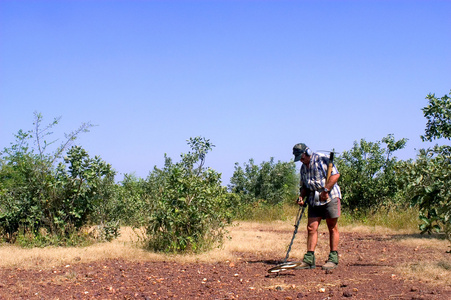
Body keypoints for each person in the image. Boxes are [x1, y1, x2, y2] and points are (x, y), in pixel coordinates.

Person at [292, 143, 341, 270]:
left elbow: (335, 175)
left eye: (302, 158)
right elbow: (304, 186)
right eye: (299, 159)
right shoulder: (303, 168)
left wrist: (326, 190)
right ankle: (309, 259)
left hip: (330, 196)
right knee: (311, 227)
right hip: (314, 198)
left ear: (307, 152)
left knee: (332, 226)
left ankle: (333, 258)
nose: (301, 161)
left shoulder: (322, 159)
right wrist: (301, 196)